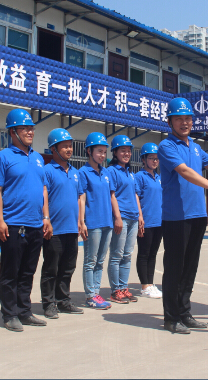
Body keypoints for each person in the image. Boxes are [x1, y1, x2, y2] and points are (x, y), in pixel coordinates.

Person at [158, 97, 208, 334]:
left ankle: (185, 312)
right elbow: (185, 171)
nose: (184, 123)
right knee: (174, 267)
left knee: (190, 266)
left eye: (188, 118)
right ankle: (171, 317)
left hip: (197, 215)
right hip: (176, 218)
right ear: (170, 121)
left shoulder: (195, 147)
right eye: (179, 119)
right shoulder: (167, 147)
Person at [0, 109, 53, 332]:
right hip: (14, 224)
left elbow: (43, 189)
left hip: (36, 223)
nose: (30, 132)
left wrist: (46, 217)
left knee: (28, 271)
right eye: (25, 128)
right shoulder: (3, 158)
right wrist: (0, 220)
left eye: (31, 128)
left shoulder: (37, 159)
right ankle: (9, 314)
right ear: (13, 132)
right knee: (10, 272)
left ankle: (24, 311)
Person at [40, 128, 83, 319]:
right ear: (53, 149)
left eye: (70, 145)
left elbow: (80, 197)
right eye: (64, 146)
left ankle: (63, 300)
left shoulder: (75, 172)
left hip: (71, 228)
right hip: (54, 229)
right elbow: (44, 196)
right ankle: (48, 303)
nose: (69, 149)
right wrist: (46, 219)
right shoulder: (47, 170)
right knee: (51, 268)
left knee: (68, 266)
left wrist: (81, 221)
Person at [106, 135, 144, 304]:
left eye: (129, 151)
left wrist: (140, 215)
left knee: (127, 255)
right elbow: (112, 195)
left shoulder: (130, 173)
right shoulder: (111, 171)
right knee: (117, 254)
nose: (126, 154)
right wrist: (117, 217)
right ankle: (115, 291)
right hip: (121, 218)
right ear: (115, 152)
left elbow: (136, 195)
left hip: (133, 218)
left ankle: (124, 287)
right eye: (123, 150)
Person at [78, 132, 113, 310]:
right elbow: (82, 198)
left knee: (100, 261)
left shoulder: (106, 172)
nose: (102, 155)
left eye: (104, 152)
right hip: (93, 223)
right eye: (99, 151)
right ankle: (90, 295)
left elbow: (111, 196)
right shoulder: (83, 173)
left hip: (107, 222)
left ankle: (96, 293)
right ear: (89, 151)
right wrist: (82, 221)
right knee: (90, 261)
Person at [134, 142, 163, 299]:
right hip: (146, 221)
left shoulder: (158, 177)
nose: (155, 161)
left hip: (159, 221)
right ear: (143, 159)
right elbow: (136, 196)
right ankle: (144, 286)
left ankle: (150, 284)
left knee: (153, 254)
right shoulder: (139, 176)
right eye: (151, 158)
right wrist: (139, 216)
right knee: (144, 253)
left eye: (157, 158)